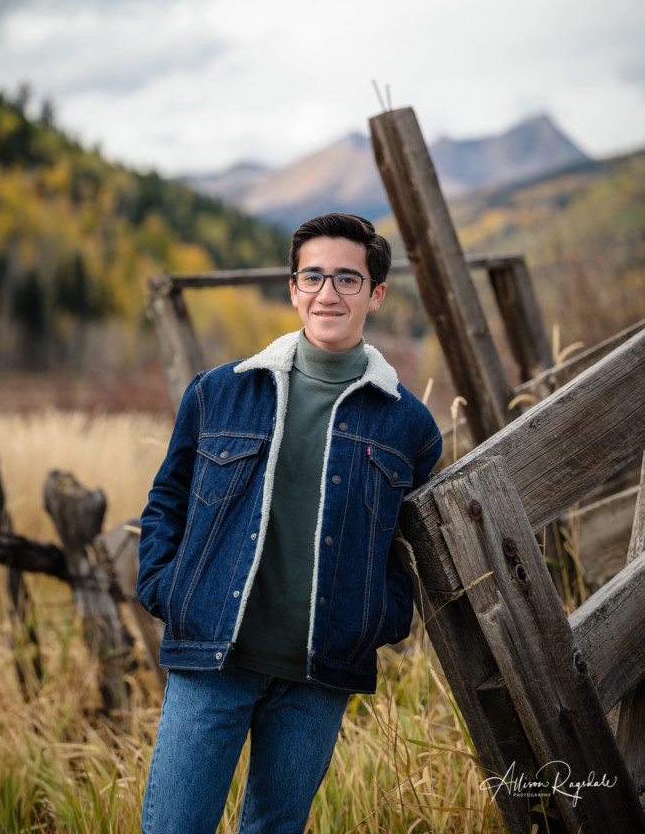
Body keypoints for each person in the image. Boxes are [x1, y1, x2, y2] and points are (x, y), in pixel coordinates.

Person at [137, 212, 442, 834]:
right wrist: (165, 589)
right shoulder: (219, 392)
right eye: (314, 276)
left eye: (348, 279)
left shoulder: (408, 425)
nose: (328, 293)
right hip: (212, 661)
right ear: (294, 288)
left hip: (317, 676)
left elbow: (411, 548)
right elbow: (167, 497)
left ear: (376, 294)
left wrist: (378, 619)